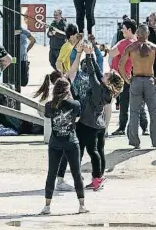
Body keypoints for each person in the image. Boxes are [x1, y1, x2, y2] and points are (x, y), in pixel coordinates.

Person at [69, 42, 124, 191]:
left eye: (107, 75)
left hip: (89, 124)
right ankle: (95, 178)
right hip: (97, 124)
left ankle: (95, 178)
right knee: (94, 151)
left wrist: (87, 55)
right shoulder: (105, 88)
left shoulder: (100, 90)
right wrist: (91, 53)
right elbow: (98, 72)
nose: (104, 74)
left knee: (88, 151)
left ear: (109, 82)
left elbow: (93, 75)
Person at [41, 78, 88, 215]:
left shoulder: (49, 105)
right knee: (76, 173)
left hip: (55, 142)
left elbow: (47, 116)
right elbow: (77, 118)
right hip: (71, 141)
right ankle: (81, 205)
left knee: (51, 173)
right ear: (68, 90)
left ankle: (47, 206)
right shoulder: (75, 104)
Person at [119, 24, 156, 149]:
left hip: (135, 80)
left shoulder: (131, 47)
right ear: (147, 34)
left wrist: (126, 79)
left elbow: (121, 65)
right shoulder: (154, 47)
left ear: (137, 34)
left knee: (134, 112)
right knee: (154, 113)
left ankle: (135, 142)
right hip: (150, 81)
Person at [110, 19, 149, 136]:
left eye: (124, 28)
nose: (122, 30)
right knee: (139, 103)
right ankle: (145, 127)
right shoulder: (137, 42)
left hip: (123, 76)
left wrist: (116, 44)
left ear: (129, 30)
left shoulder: (124, 43)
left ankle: (122, 127)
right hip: (134, 75)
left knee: (124, 103)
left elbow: (112, 53)